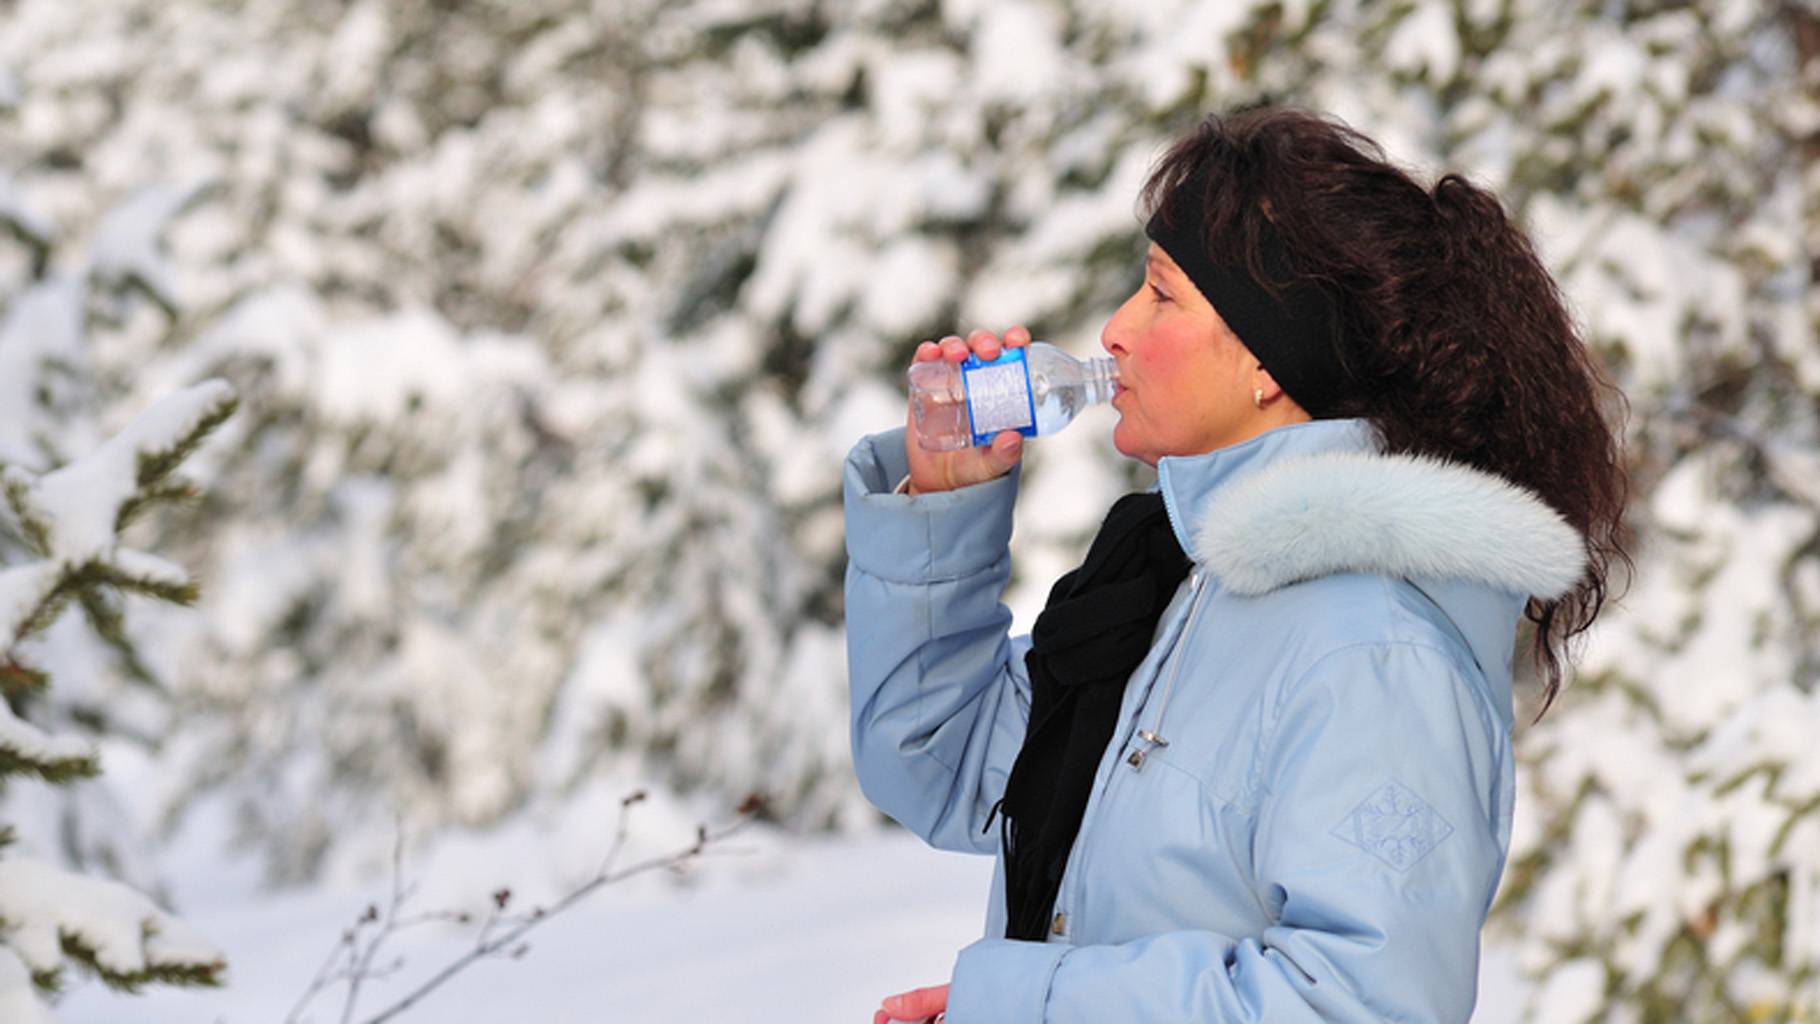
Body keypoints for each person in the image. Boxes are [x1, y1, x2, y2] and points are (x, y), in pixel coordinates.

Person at [841, 106, 1629, 1023]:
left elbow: (1358, 1007)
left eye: (1162, 294)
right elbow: (945, 763)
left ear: (1268, 359)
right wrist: (944, 504)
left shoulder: (1374, 653)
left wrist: (1028, 1007)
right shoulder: (1174, 591)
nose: (1114, 330)